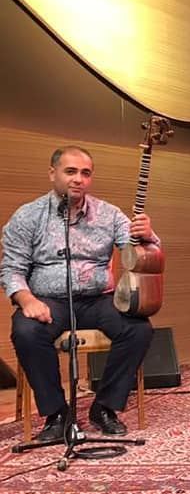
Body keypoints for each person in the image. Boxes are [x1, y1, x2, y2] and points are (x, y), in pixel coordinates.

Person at [2, 146, 157, 441]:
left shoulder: (109, 214)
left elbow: (142, 252)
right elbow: (11, 269)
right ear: (53, 174)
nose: (78, 179)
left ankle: (104, 407)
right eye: (70, 171)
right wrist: (26, 299)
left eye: (85, 173)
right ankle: (57, 415)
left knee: (138, 329)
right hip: (48, 301)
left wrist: (148, 235)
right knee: (26, 331)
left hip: (98, 299)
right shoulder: (27, 216)